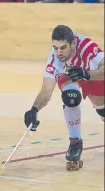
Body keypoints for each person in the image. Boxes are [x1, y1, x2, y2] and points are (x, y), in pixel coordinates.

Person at [24, 25, 104, 171]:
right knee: (70, 98)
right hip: (69, 76)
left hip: (91, 72)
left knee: (102, 111)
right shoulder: (55, 57)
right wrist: (34, 109)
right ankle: (75, 142)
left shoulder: (86, 45)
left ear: (73, 44)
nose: (59, 53)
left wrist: (87, 74)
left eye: (63, 47)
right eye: (55, 48)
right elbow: (46, 90)